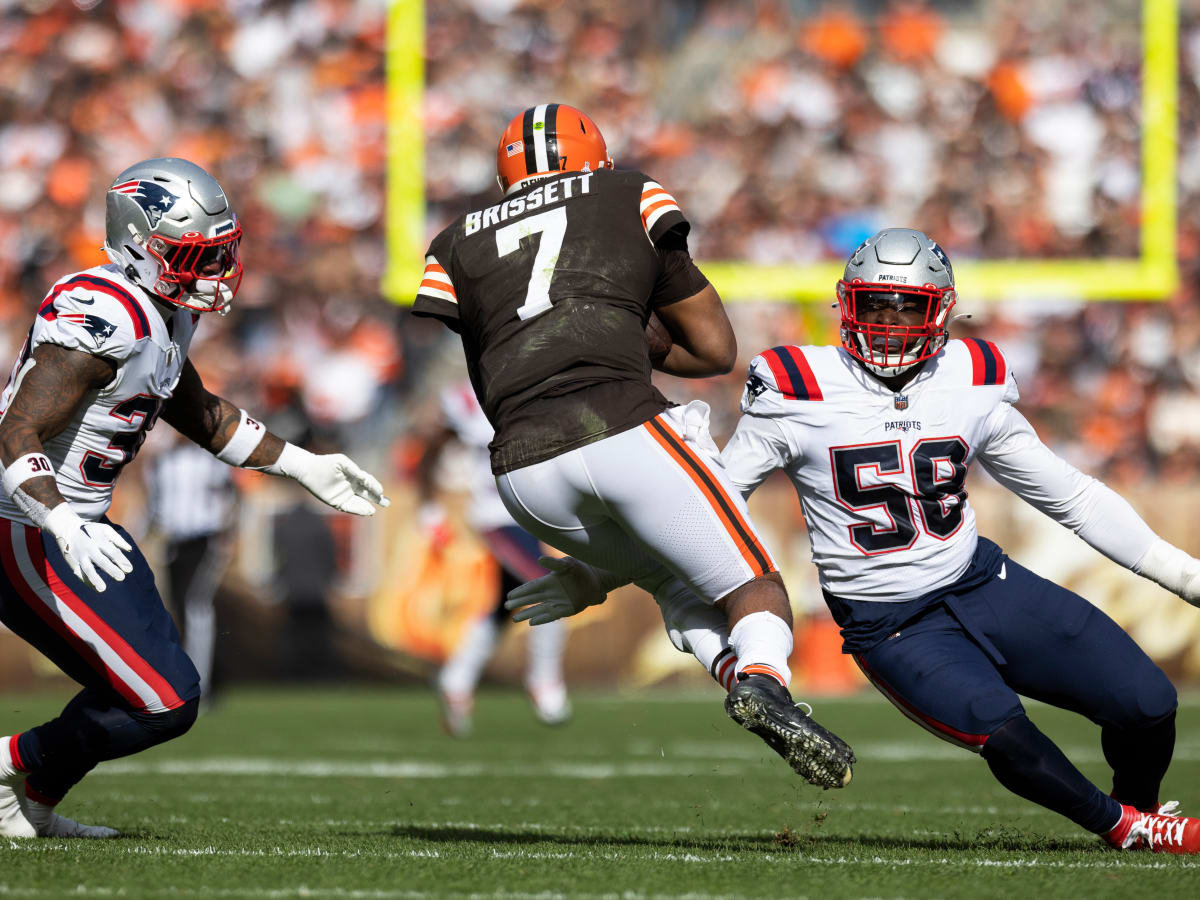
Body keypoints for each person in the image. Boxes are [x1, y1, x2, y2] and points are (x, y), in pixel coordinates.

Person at [509, 227, 1200, 854]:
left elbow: (1068, 493)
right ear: (847, 304)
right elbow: (706, 508)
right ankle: (1128, 829)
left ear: (942, 309)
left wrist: (1183, 575)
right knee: (1007, 733)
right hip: (892, 623)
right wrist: (594, 576)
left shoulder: (971, 376)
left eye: (907, 307)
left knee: (1147, 704)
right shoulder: (797, 387)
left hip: (984, 584)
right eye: (876, 304)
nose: (891, 324)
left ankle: (1139, 815)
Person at [412, 103, 854, 789]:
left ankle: (738, 676)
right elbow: (714, 348)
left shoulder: (455, 241)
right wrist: (629, 319)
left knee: (667, 579)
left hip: (522, 473)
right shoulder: (628, 193)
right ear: (595, 159)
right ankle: (764, 681)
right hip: (617, 424)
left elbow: (497, 355)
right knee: (754, 584)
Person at [0, 157, 389, 839]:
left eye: (216, 254)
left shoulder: (166, 315)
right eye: (189, 255)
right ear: (137, 245)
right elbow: (15, 430)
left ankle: (26, 798)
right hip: (28, 525)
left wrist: (306, 465)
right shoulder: (104, 311)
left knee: (159, 688)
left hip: (84, 525)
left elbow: (202, 414)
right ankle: (13, 768)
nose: (210, 272)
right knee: (161, 699)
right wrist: (57, 518)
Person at [420, 383, 569, 736]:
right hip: (496, 515)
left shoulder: (540, 383)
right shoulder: (470, 398)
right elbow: (434, 449)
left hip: (528, 515)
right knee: (548, 587)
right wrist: (428, 510)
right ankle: (543, 680)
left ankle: (456, 679)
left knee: (505, 605)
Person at [144, 434, 237, 704]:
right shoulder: (162, 461)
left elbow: (231, 497)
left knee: (195, 606)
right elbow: (154, 505)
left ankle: (200, 686)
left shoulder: (211, 461)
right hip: (174, 543)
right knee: (178, 609)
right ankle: (190, 678)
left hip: (204, 540)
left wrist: (229, 533)